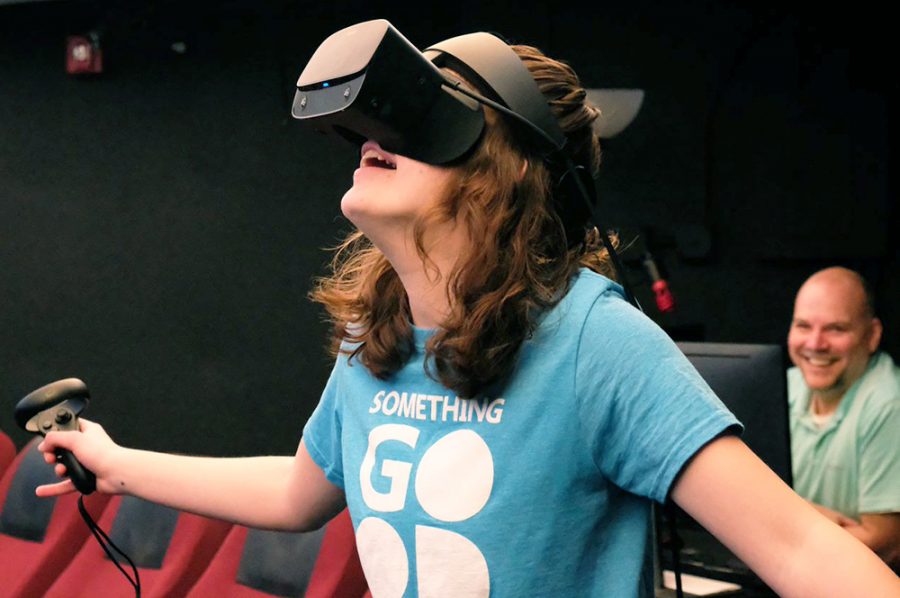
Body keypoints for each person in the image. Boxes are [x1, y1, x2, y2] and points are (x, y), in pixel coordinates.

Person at [35, 28, 899, 598]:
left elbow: (799, 550)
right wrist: (118, 465)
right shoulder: (372, 336)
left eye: (424, 116)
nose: (375, 131)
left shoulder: (595, 341)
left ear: (508, 167)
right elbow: (301, 491)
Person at [787, 266, 900, 569]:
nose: (815, 344)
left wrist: (787, 517)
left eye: (836, 329)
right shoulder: (782, 386)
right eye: (803, 326)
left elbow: (886, 545)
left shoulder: (891, 405)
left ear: (872, 335)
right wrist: (819, 519)